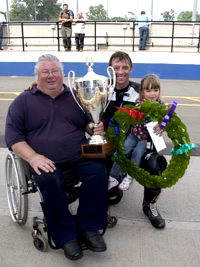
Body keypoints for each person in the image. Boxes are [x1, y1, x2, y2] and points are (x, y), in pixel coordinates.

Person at [5, 54, 108, 261]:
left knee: (98, 171)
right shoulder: (23, 101)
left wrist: (94, 127)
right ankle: (66, 236)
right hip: (44, 160)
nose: (50, 76)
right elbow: (13, 137)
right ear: (37, 75)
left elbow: (87, 123)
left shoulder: (76, 97)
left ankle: (89, 227)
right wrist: (33, 157)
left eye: (55, 71)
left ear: (62, 74)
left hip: (77, 155)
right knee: (49, 180)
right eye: (45, 72)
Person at [103, 51, 165, 229]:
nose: (120, 71)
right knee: (112, 198)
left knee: (155, 167)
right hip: (109, 146)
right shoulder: (100, 89)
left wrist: (160, 125)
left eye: (124, 67)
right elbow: (71, 91)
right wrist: (37, 83)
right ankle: (108, 190)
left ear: (131, 69)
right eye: (116, 68)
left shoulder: (141, 91)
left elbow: (158, 101)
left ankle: (150, 206)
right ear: (110, 70)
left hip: (138, 142)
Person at [108, 74, 164, 191]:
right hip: (134, 134)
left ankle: (129, 177)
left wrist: (162, 125)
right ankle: (112, 177)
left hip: (145, 138)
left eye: (155, 90)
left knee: (137, 153)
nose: (152, 94)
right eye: (148, 90)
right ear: (142, 91)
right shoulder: (139, 102)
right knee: (122, 151)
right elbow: (133, 115)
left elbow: (166, 120)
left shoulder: (161, 106)